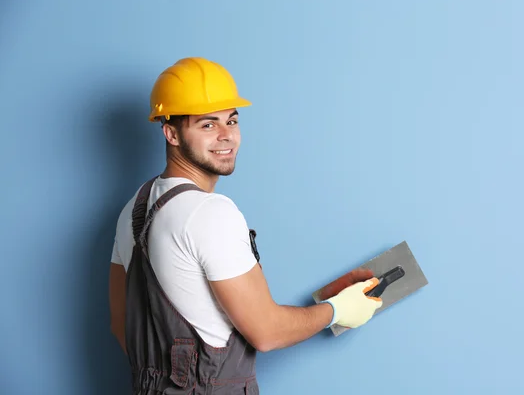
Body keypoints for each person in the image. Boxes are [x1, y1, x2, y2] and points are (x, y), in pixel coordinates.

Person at [108, 57, 383, 394]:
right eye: (208, 125)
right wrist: (337, 309)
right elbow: (266, 332)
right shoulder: (210, 212)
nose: (227, 136)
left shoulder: (133, 208)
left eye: (232, 120)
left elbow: (122, 328)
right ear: (171, 133)